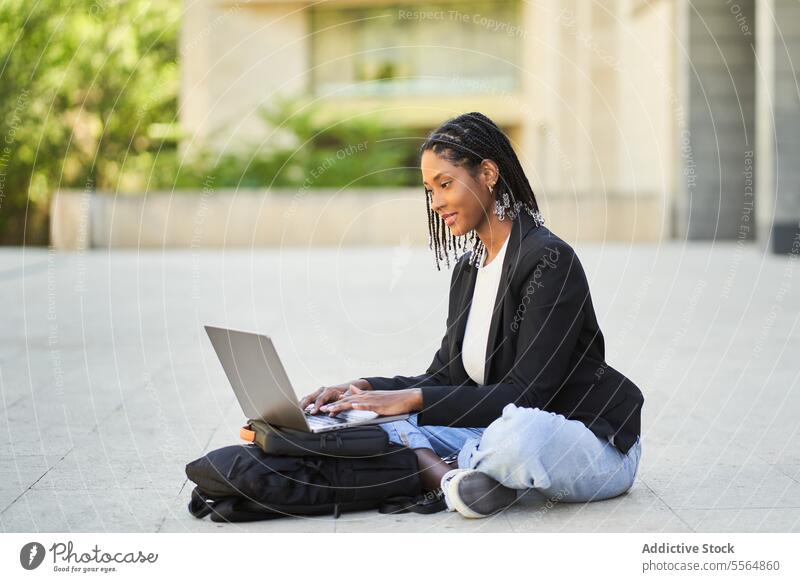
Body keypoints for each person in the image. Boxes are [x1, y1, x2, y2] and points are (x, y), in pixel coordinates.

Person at [299, 112, 644, 519]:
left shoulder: (550, 261)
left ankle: (445, 467)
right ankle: (459, 479)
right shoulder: (468, 269)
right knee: (370, 423)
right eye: (429, 190)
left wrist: (412, 401)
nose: (436, 202)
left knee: (517, 434)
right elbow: (444, 378)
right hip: (491, 430)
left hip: (578, 439)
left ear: (488, 173)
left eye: (445, 184)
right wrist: (362, 389)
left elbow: (528, 395)